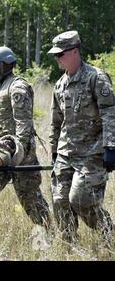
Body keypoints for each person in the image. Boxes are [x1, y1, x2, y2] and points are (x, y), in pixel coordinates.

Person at [0, 46, 51, 236]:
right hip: (1, 149)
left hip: (20, 153)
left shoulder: (17, 87)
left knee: (29, 196)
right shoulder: (1, 88)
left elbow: (23, 122)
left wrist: (19, 152)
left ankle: (49, 233)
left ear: (5, 65)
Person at [48, 30, 115, 247]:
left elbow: (110, 113)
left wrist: (111, 147)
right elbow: (56, 121)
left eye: (60, 55)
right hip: (67, 153)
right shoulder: (60, 85)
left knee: (81, 199)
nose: (57, 59)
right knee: (60, 202)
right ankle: (70, 248)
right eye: (55, 55)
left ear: (75, 51)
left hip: (92, 152)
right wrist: (54, 150)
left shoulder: (96, 78)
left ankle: (109, 234)